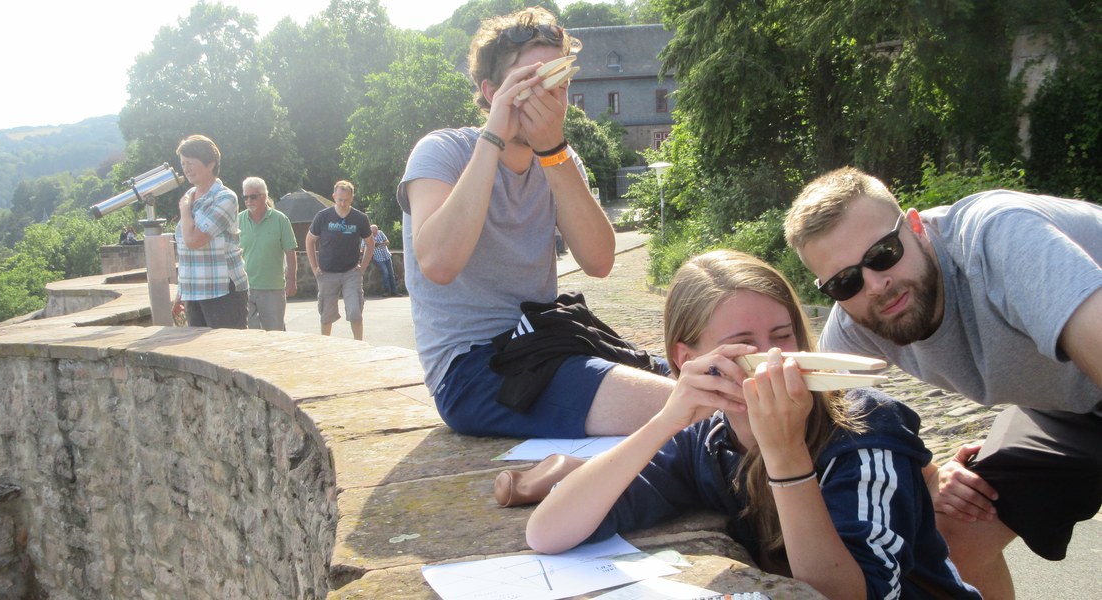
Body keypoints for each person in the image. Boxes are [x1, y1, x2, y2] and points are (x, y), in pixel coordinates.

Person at [526, 250, 980, 600]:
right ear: (689, 359)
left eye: (783, 336)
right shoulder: (704, 441)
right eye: (744, 346)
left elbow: (842, 595)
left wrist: (785, 454)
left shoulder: (867, 432)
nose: (776, 360)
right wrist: (667, 420)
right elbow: (548, 532)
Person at [784, 166, 1102, 599]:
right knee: (953, 531)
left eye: (883, 253)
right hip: (1066, 405)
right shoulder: (857, 323)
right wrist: (930, 478)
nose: (876, 285)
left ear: (916, 227)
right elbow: (819, 419)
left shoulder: (999, 238)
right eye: (845, 281)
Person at [396, 6, 673, 439]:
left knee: (688, 375)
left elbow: (599, 260)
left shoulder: (561, 160)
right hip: (470, 370)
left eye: (558, 82)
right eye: (530, 83)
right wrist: (494, 135)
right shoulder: (441, 152)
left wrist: (554, 152)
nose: (548, 97)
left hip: (546, 341)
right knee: (682, 405)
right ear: (491, 92)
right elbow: (438, 263)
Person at [173, 134, 248, 329]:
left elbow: (194, 241)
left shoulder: (224, 198)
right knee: (199, 356)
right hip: (193, 291)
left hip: (221, 291)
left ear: (210, 165)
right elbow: (186, 253)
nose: (186, 168)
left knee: (228, 354)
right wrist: (181, 291)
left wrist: (184, 210)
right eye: (183, 163)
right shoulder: (190, 197)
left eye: (191, 162)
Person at [306, 180, 374, 339]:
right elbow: (310, 240)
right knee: (326, 315)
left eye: (346, 200)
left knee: (355, 312)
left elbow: (370, 244)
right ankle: (325, 345)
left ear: (352, 199)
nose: (343, 203)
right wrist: (314, 268)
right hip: (327, 273)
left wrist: (362, 268)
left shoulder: (360, 218)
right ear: (334, 196)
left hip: (351, 272)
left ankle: (359, 345)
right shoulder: (323, 216)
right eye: (340, 199)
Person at [238, 176, 298, 331]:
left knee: (274, 333)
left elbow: (290, 252)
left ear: (264, 196)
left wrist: (292, 280)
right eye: (245, 197)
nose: (248, 200)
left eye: (253, 196)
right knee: (247, 334)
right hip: (245, 287)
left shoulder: (280, 220)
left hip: (273, 287)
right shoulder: (237, 220)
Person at [367, 225, 400, 297]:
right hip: (378, 258)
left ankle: (394, 292)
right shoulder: (368, 236)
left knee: (391, 274)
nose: (375, 233)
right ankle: (387, 291)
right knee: (385, 273)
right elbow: (363, 248)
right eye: (373, 232)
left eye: (375, 231)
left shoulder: (380, 233)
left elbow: (387, 242)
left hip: (387, 256)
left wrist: (381, 243)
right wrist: (373, 245)